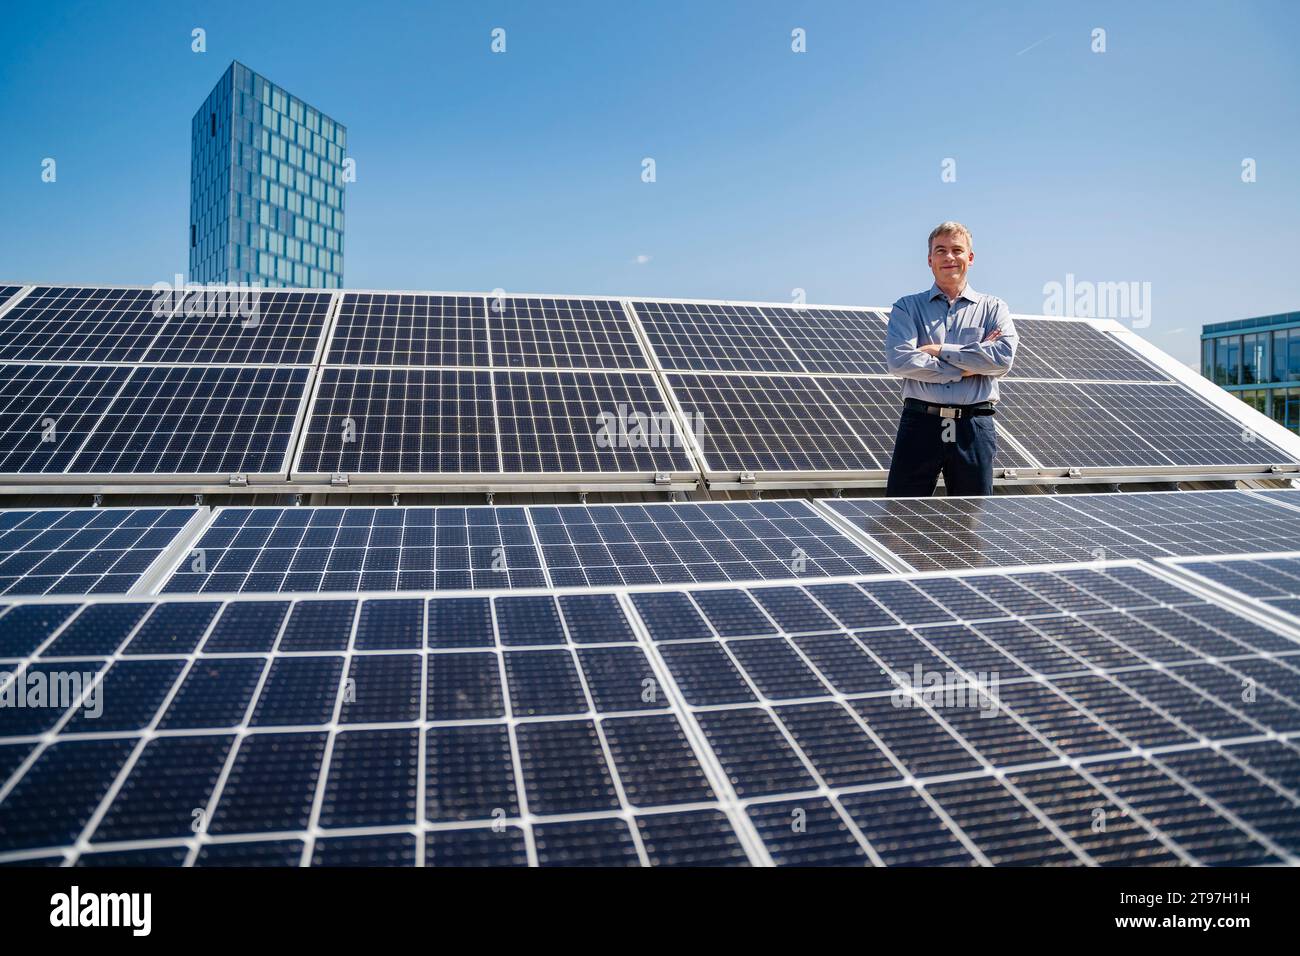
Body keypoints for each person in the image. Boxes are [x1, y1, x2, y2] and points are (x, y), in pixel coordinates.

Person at [883, 221, 1017, 497]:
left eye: (957, 250)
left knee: (973, 517)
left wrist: (939, 350)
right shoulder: (907, 307)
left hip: (974, 426)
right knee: (903, 516)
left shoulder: (994, 308)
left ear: (970, 257)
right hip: (921, 424)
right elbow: (900, 361)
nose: (949, 257)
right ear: (930, 259)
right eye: (941, 250)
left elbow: (1001, 358)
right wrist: (968, 368)